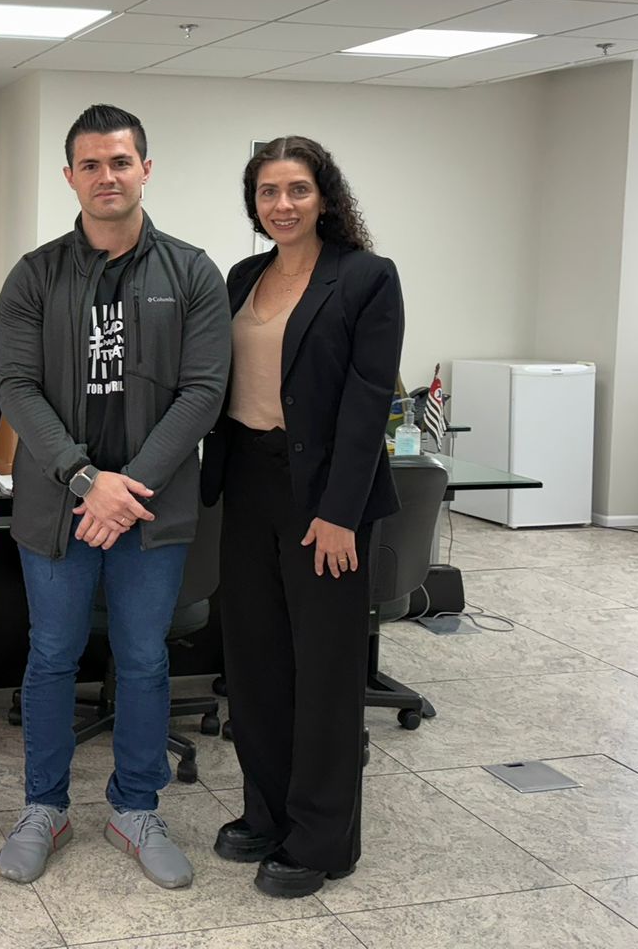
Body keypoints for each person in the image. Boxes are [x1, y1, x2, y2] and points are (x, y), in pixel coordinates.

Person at [0, 104, 229, 890]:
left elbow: (202, 392)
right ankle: (43, 808)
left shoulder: (193, 272)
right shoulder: (35, 273)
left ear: (146, 169)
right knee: (52, 656)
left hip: (152, 511)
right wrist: (87, 480)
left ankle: (136, 809)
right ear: (70, 177)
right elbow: (16, 388)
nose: (106, 177)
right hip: (60, 505)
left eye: (120, 162)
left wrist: (129, 489)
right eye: (90, 165)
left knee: (143, 658)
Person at [200, 135, 404, 899]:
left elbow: (367, 401)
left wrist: (340, 512)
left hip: (324, 498)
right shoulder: (242, 277)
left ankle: (323, 839)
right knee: (254, 661)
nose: (281, 204)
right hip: (247, 483)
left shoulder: (365, 279)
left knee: (324, 669)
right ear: (253, 203)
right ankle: (268, 811)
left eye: (297, 189)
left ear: (325, 196)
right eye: (267, 192)